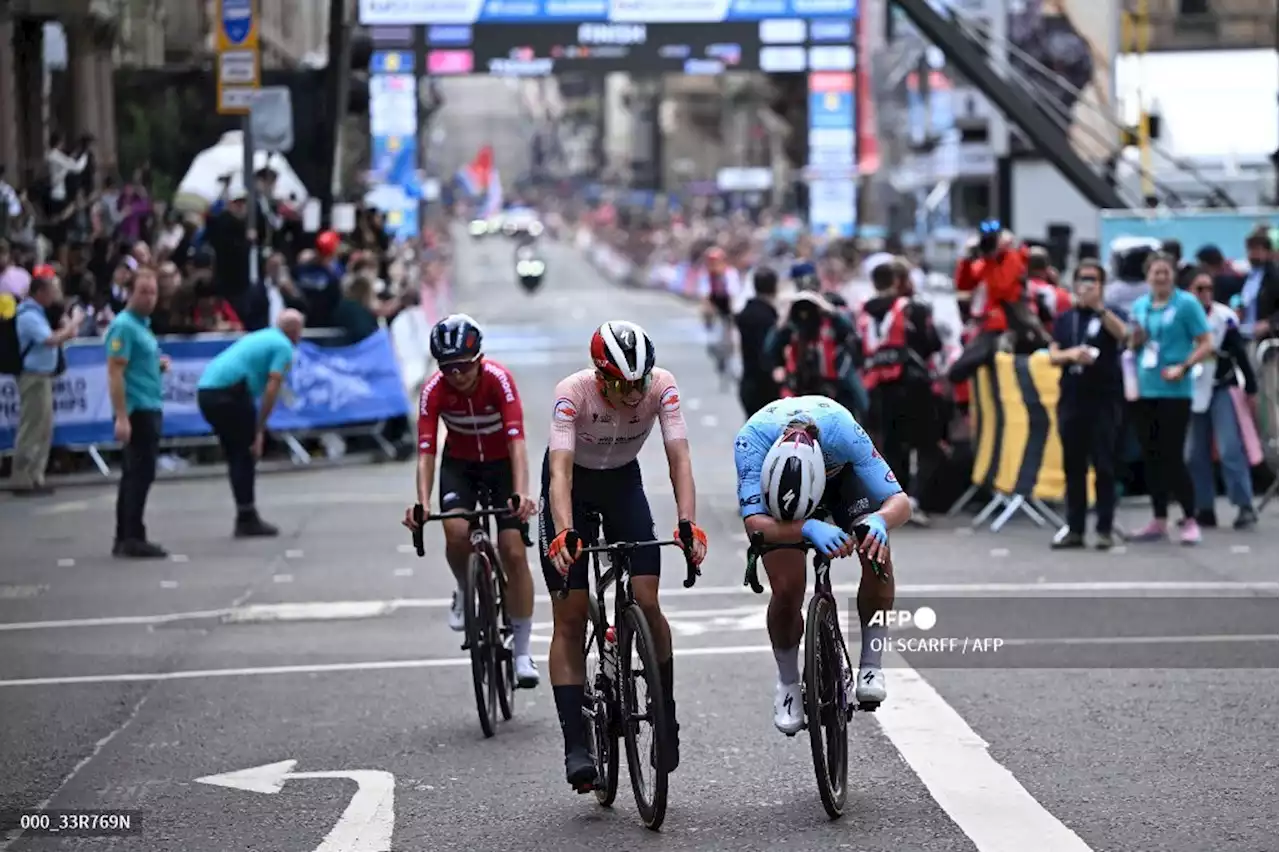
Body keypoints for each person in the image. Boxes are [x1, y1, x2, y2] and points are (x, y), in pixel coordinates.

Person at [541, 321, 707, 789]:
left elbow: (679, 456)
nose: (634, 395)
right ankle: (576, 744)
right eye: (621, 384)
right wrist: (565, 531)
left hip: (622, 485)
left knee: (647, 598)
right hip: (574, 485)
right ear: (600, 376)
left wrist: (687, 521)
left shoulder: (662, 385)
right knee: (570, 616)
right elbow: (559, 474)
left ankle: (665, 713)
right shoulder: (571, 393)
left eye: (640, 383)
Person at [733, 396, 911, 735]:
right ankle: (787, 683)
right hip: (779, 499)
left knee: (877, 555)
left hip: (841, 482)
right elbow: (755, 523)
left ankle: (871, 665)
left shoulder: (842, 430)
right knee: (786, 588)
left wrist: (878, 520)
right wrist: (805, 527)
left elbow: (899, 501)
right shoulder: (751, 440)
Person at [401, 315, 541, 686]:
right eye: (448, 368)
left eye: (463, 366)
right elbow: (427, 451)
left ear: (479, 359)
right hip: (460, 466)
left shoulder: (499, 380)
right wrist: (422, 502)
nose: (457, 375)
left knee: (512, 550)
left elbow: (517, 442)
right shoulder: (434, 390)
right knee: (455, 531)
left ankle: (523, 652)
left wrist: (522, 493)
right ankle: (465, 588)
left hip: (501, 467)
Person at [1128, 253, 1214, 544]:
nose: (1160, 277)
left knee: (1173, 456)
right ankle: (1158, 518)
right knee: (1150, 456)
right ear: (1147, 276)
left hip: (1175, 391)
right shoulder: (1140, 305)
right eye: (1155, 272)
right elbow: (1133, 343)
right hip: (1145, 387)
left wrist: (1185, 366)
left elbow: (1206, 342)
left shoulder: (1186, 304)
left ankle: (1190, 518)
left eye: (1165, 272)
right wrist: (1134, 339)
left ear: (1173, 275)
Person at [197, 309, 306, 537]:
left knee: (236, 452)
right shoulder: (284, 347)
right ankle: (246, 516)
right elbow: (272, 388)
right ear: (296, 331)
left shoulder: (264, 335)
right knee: (244, 453)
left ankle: (245, 512)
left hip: (207, 390)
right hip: (229, 392)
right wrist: (259, 428)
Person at [1047, 260, 1128, 549]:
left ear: (1102, 285)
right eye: (1082, 279)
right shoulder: (1066, 318)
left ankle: (1104, 527)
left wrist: (1100, 308)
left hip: (1104, 399)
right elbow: (1053, 354)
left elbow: (1124, 335)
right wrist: (1073, 355)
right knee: (1074, 467)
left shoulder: (1111, 313)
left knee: (1104, 465)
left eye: (1093, 280)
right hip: (1072, 399)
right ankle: (1075, 527)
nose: (1087, 285)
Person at [861, 258, 943, 525]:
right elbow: (932, 343)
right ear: (898, 281)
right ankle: (916, 500)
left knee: (893, 447)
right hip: (913, 386)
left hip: (879, 387)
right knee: (928, 445)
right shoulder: (912, 308)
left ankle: (896, 503)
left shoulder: (865, 310)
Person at [1185, 269, 1259, 530]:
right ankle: (1204, 506)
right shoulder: (1182, 316)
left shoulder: (1223, 317)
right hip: (1192, 388)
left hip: (1221, 385)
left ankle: (1244, 503)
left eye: (1208, 289)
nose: (1205, 294)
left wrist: (1250, 386)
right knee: (1194, 453)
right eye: (1199, 289)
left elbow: (1239, 352)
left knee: (1229, 448)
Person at [105, 267, 170, 558]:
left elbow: (136, 365)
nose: (149, 298)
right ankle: (131, 535)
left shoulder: (143, 326)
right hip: (138, 408)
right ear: (130, 293)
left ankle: (129, 534)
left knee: (140, 474)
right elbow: (115, 372)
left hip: (150, 403)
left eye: (153, 292)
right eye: (143, 291)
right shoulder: (124, 326)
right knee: (138, 474)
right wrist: (121, 416)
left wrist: (157, 366)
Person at [11, 268, 83, 495]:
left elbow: (66, 334)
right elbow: (51, 339)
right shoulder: (28, 316)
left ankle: (36, 476)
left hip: (43, 377)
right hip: (33, 377)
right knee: (31, 428)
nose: (54, 296)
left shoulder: (41, 313)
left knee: (44, 428)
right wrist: (74, 322)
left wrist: (67, 321)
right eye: (50, 291)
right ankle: (22, 477)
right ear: (39, 292)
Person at [734, 266, 781, 417]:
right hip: (766, 384)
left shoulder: (746, 313)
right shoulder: (768, 317)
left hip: (748, 380)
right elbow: (766, 351)